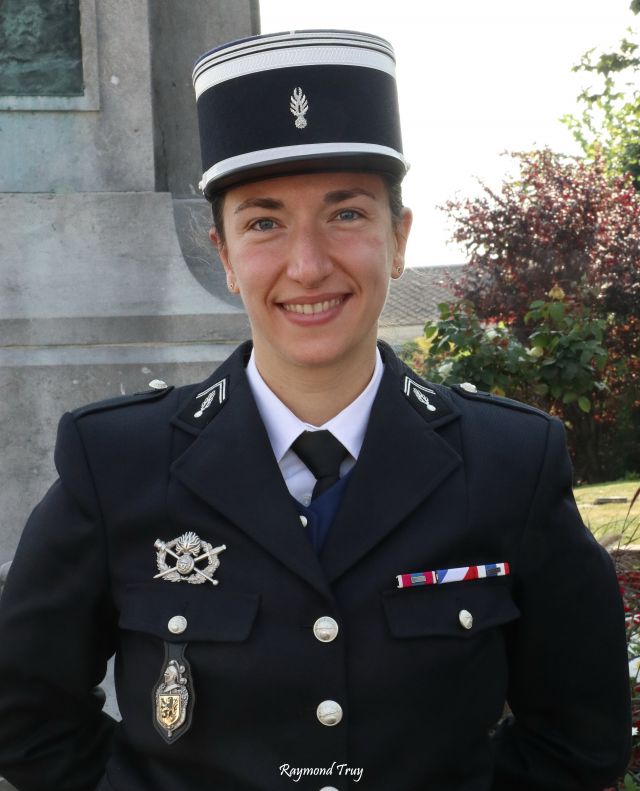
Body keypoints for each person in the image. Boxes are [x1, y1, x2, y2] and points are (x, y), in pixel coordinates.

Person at [0, 29, 631, 791]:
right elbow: (24, 715)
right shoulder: (119, 464)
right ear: (224, 255)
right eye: (264, 222)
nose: (307, 264)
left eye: (346, 215)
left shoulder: (508, 464)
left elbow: (580, 735)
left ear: (399, 239)